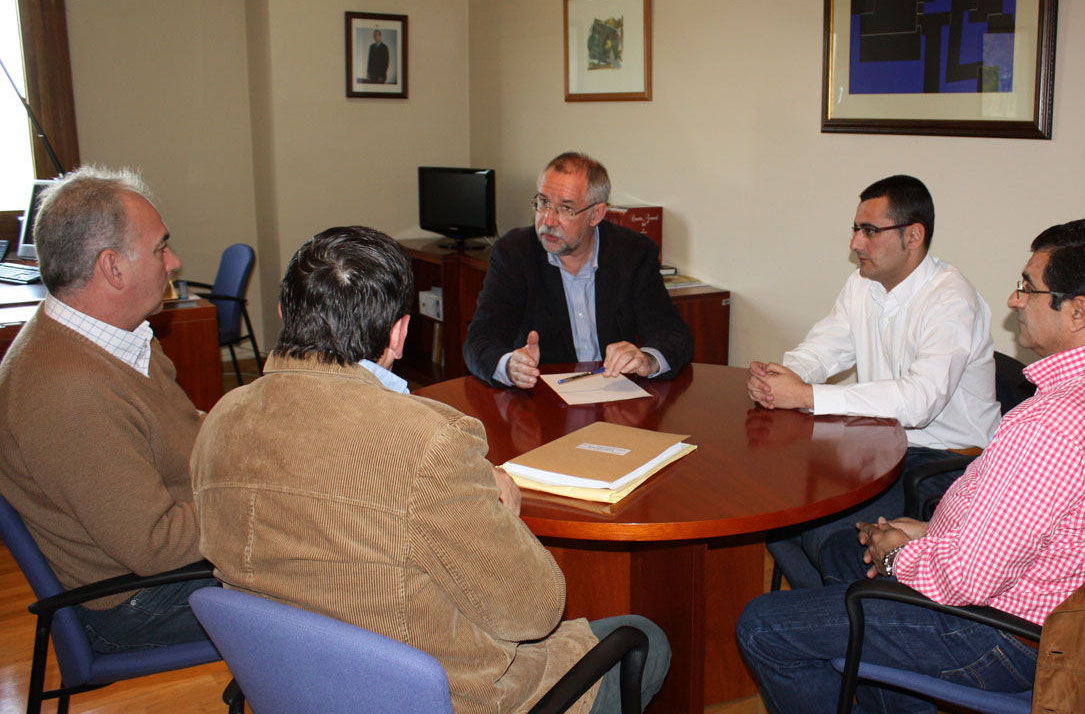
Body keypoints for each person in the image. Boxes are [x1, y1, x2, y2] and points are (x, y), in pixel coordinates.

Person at [191, 226, 669, 714]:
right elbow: (534, 613)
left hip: (295, 684)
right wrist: (507, 514)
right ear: (400, 332)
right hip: (436, 695)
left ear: (283, 313)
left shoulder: (220, 420)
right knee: (646, 638)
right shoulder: (427, 441)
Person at [736, 219, 1085, 714]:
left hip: (1001, 637)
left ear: (1078, 311)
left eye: (1028, 288)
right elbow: (1037, 526)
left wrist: (897, 557)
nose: (1014, 301)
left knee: (763, 625)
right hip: (1059, 608)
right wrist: (930, 531)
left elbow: (962, 582)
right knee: (844, 549)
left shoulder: (1056, 424)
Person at [0, 166, 214, 653]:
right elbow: (155, 545)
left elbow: (183, 429)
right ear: (112, 267)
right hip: (132, 604)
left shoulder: (117, 337)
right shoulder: (66, 391)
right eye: (161, 248)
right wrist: (264, 500)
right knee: (351, 578)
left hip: (170, 556)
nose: (174, 261)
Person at [751, 175, 1000, 588]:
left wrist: (807, 395)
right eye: (855, 229)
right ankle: (831, 616)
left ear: (913, 235)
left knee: (831, 535)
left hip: (945, 459)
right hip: (880, 443)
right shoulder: (862, 284)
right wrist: (784, 375)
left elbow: (920, 402)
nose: (855, 244)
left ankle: (862, 620)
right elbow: (826, 347)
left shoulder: (952, 300)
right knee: (775, 513)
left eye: (870, 231)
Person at [464, 152, 693, 389]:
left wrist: (648, 360)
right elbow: (480, 339)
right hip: (543, 403)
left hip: (614, 398)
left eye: (565, 208)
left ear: (596, 214)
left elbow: (673, 334)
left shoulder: (633, 253)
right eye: (543, 203)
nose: (548, 220)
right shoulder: (515, 253)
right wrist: (510, 366)